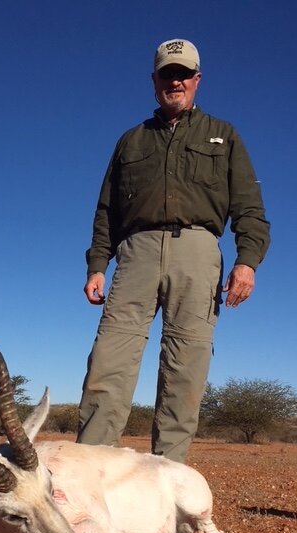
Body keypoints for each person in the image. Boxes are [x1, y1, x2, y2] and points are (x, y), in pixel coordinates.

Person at [76, 39, 270, 463]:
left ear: (197, 80)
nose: (175, 81)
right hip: (136, 253)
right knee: (110, 358)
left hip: (199, 252)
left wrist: (247, 262)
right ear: (154, 81)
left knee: (186, 365)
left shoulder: (224, 135)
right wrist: (97, 265)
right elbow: (106, 210)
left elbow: (250, 209)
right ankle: (90, 467)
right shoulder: (131, 140)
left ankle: (167, 474)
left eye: (183, 74)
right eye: (167, 74)